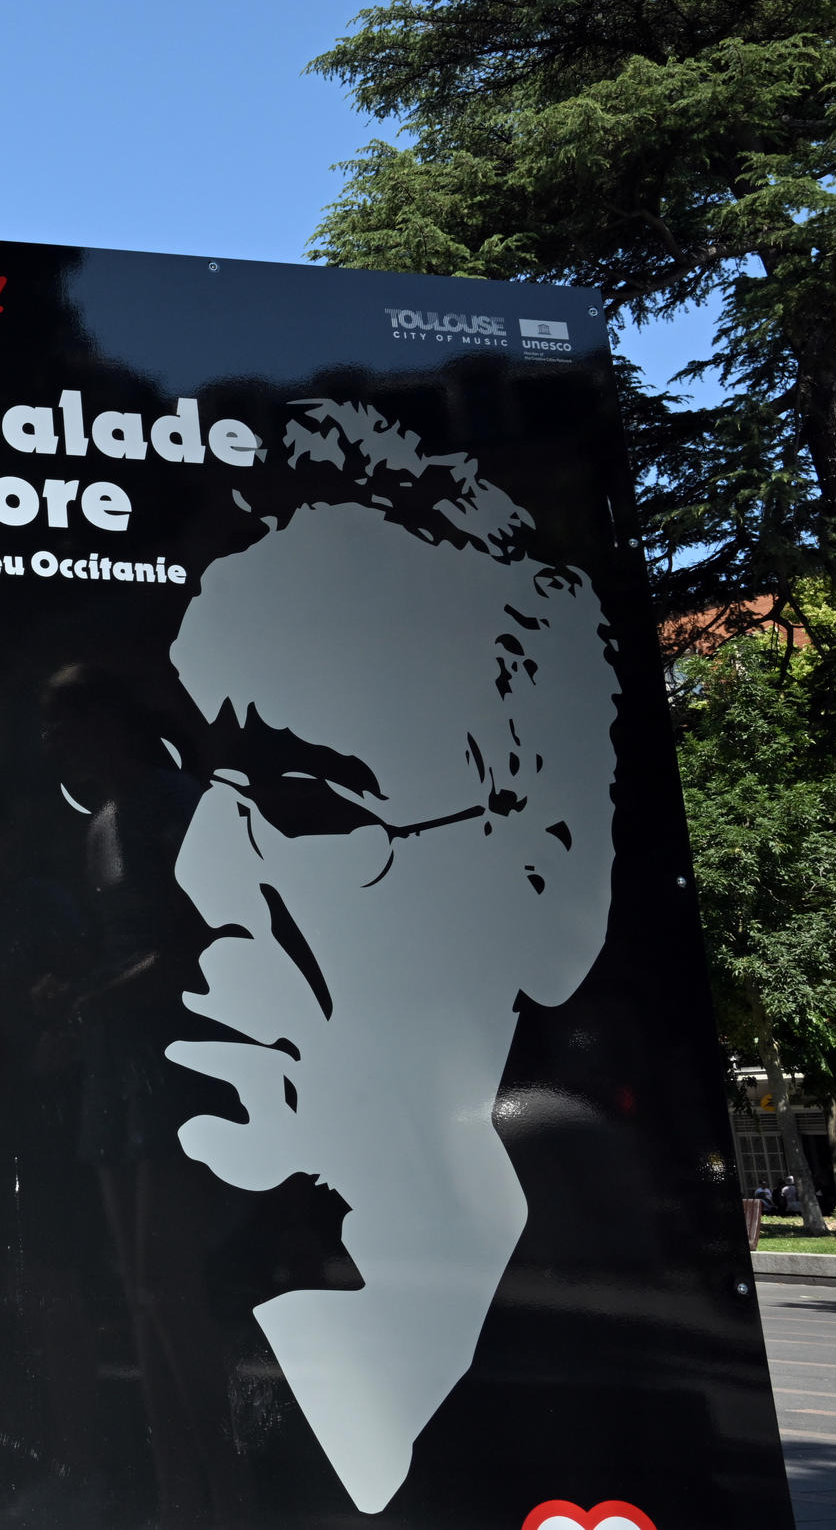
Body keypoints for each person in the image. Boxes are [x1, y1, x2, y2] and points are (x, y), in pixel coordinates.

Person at [159, 400, 617, 1514]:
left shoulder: (604, 1359)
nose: (193, 873)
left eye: (307, 801)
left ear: (549, 874)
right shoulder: (152, 1293)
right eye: (190, 785)